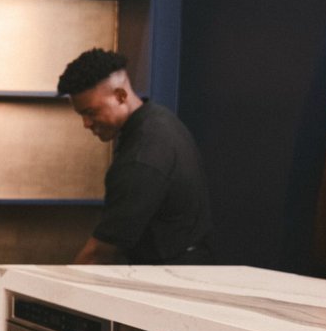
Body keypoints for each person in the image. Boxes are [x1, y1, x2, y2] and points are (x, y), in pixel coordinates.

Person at [57, 48, 213, 265]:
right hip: (183, 266)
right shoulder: (160, 120)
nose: (86, 123)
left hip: (169, 275)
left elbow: (100, 253)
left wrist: (62, 286)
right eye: (81, 115)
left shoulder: (141, 156)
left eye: (91, 112)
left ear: (120, 96)